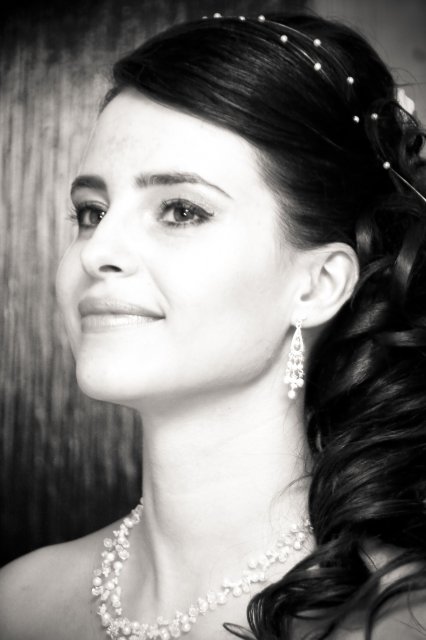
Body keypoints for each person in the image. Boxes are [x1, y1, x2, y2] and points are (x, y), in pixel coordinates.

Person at [1, 10, 426, 640]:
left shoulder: (399, 623)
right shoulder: (19, 601)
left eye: (180, 210)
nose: (97, 252)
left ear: (317, 285)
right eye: (92, 212)